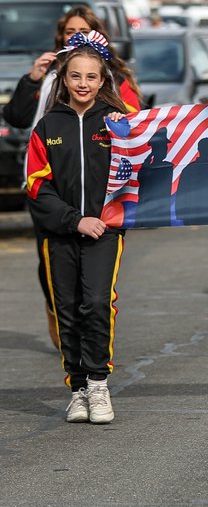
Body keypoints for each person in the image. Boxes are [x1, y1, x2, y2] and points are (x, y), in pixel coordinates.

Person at [2, 6, 140, 349]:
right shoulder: (51, 74)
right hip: (50, 185)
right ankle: (58, 310)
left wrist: (119, 118)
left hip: (98, 198)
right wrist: (32, 79)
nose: (76, 37)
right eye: (69, 32)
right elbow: (16, 117)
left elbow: (137, 126)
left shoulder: (111, 77)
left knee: (94, 291)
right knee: (52, 269)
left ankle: (91, 349)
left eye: (83, 31)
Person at [24, 35, 130, 424]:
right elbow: (36, 186)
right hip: (60, 234)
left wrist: (129, 132)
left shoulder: (118, 124)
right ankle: (78, 389)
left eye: (91, 77)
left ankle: (99, 384)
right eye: (75, 76)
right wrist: (74, 219)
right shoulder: (48, 126)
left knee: (97, 304)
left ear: (103, 80)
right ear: (64, 79)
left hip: (106, 232)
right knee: (66, 309)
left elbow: (145, 169)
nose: (83, 84)